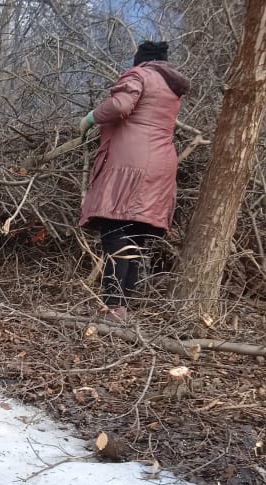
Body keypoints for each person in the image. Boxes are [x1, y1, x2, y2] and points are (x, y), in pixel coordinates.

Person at [78, 41, 190, 323]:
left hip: (130, 164)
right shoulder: (171, 86)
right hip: (162, 166)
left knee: (115, 230)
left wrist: (90, 118)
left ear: (141, 59)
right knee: (137, 235)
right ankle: (123, 307)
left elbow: (121, 105)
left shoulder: (139, 75)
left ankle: (112, 307)